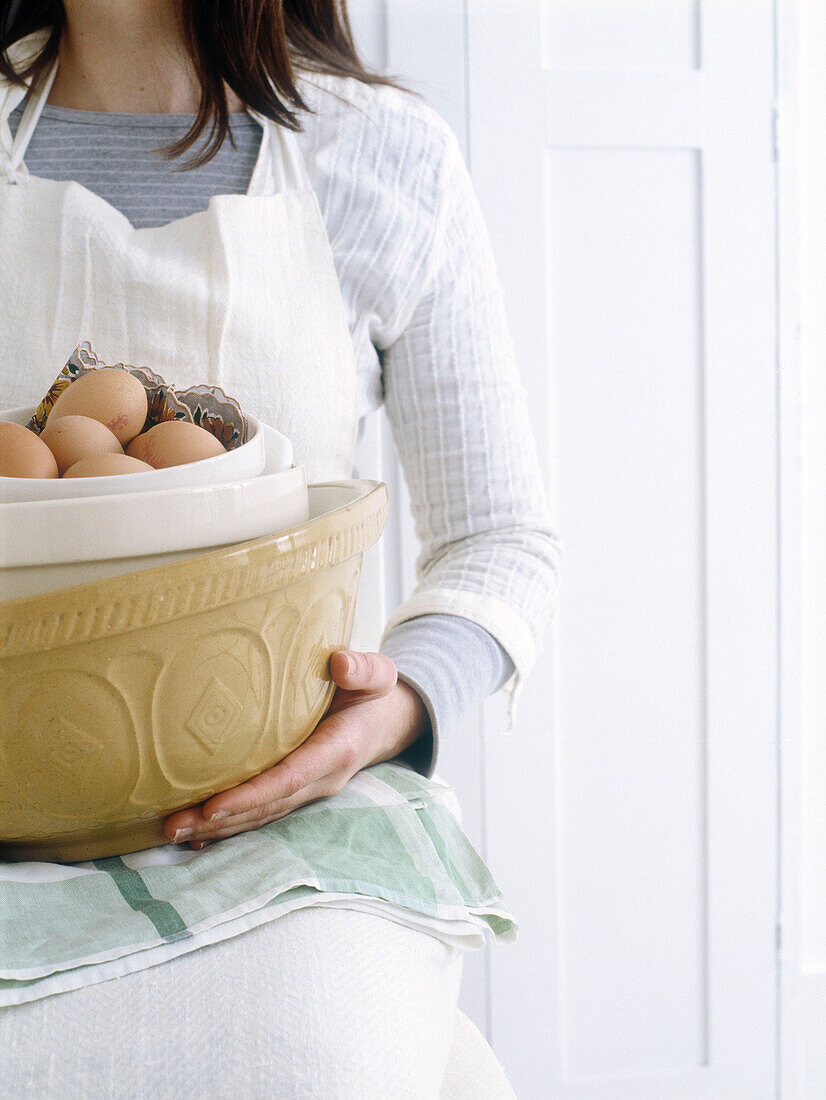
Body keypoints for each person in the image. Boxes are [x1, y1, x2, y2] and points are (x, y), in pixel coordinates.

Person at [0, 1, 559, 1095]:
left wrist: (386, 713)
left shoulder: (379, 154)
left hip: (280, 810)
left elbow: (501, 539)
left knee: (305, 1059)